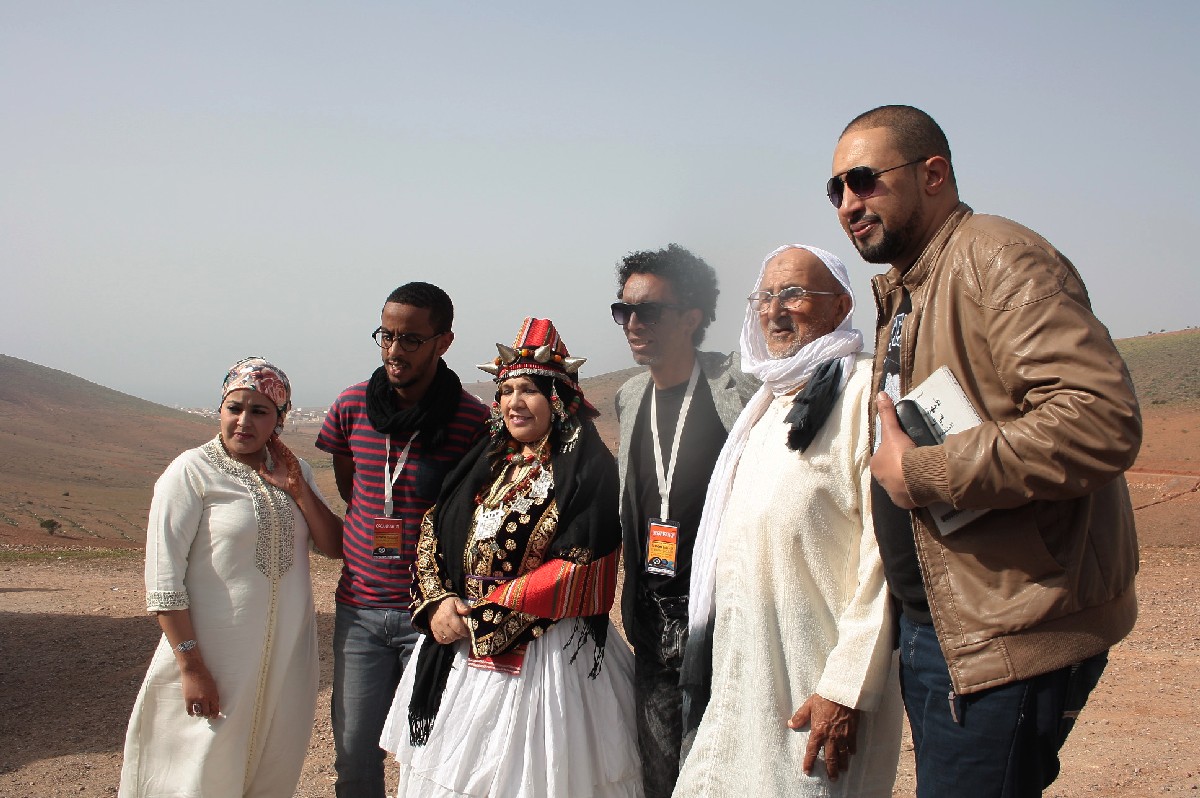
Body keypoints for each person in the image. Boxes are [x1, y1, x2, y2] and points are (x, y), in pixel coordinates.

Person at [829, 104, 1141, 797]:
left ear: (933, 174)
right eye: (837, 189)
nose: (849, 203)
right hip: (945, 625)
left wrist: (922, 472)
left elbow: (1099, 420)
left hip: (1011, 632)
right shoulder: (910, 286)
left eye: (865, 180)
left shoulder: (997, 259)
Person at [378, 317, 643, 797]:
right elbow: (434, 527)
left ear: (558, 399)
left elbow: (580, 563)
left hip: (547, 652)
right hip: (458, 640)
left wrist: (484, 618)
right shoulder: (486, 458)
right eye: (506, 391)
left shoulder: (588, 468)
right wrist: (438, 603)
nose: (514, 402)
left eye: (529, 390)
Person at [673, 245, 902, 797]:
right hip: (742, 670)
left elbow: (886, 557)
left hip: (815, 687)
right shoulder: (766, 406)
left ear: (841, 305)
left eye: (794, 294)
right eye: (765, 296)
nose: (774, 311)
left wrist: (845, 687)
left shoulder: (866, 394)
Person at [119, 357, 343, 797]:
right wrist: (191, 666)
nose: (243, 421)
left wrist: (297, 489)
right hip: (215, 659)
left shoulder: (294, 469)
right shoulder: (191, 471)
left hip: (285, 660)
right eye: (234, 408)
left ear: (279, 419)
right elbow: (164, 581)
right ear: (220, 409)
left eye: (259, 411)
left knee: (271, 765)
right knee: (197, 772)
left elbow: (334, 545)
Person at [316, 282, 488, 797]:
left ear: (444, 341)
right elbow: (351, 488)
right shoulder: (351, 406)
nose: (394, 350)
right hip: (360, 613)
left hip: (432, 616)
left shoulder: (473, 420)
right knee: (354, 757)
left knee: (433, 763)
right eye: (386, 335)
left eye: (411, 339)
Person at [611, 244, 758, 798]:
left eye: (648, 310)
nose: (633, 323)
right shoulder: (630, 397)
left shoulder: (735, 385)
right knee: (660, 774)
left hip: (722, 615)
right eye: (623, 310)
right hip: (652, 613)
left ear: (692, 317)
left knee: (719, 771)